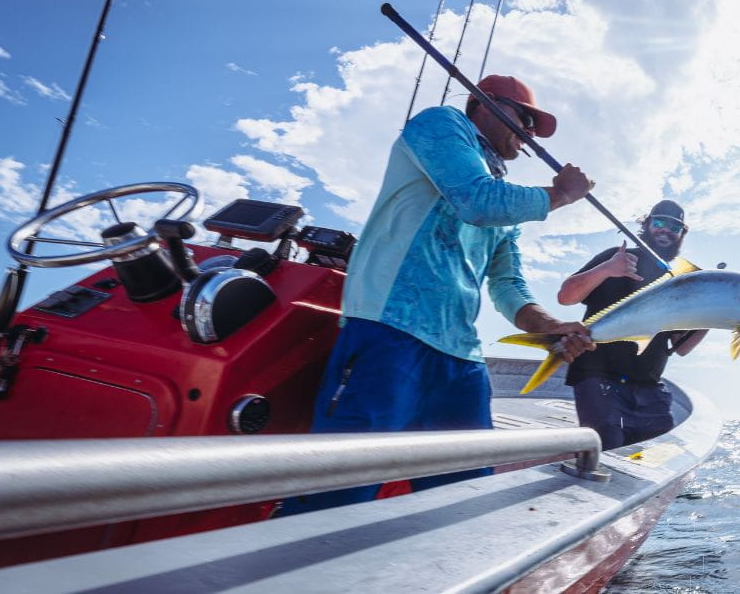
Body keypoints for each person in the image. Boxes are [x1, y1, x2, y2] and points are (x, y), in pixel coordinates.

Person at [282, 75, 596, 514]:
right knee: (339, 492)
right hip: (390, 333)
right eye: (523, 118)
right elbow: (476, 200)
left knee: (462, 498)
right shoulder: (440, 124)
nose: (527, 133)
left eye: (532, 127)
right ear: (483, 105)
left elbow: (508, 286)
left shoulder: (507, 200)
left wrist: (551, 327)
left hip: (460, 358)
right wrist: (560, 194)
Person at [557, 200, 707, 449]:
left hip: (649, 386)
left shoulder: (681, 279)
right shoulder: (617, 257)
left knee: (656, 457)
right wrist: (607, 269)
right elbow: (566, 296)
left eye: (674, 227)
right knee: (607, 451)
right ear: (646, 224)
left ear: (682, 234)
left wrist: (711, 313)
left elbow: (681, 347)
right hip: (598, 378)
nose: (666, 230)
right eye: (659, 222)